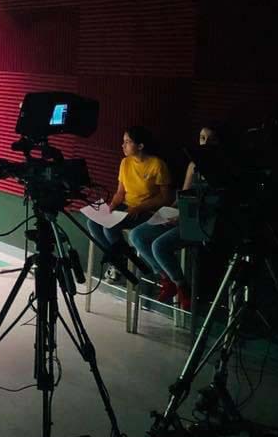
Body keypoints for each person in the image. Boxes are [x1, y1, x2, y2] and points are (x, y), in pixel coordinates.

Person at [128, 125, 220, 310]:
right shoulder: (193, 164)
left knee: (158, 245)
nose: (205, 143)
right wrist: (170, 211)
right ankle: (165, 278)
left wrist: (183, 217)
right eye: (202, 138)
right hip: (183, 212)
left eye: (211, 139)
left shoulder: (222, 167)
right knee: (137, 235)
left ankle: (181, 285)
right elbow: (184, 194)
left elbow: (216, 204)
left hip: (202, 220)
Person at [87, 126, 174, 283]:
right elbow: (120, 192)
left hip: (147, 211)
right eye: (123, 141)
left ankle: (123, 258)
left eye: (127, 142)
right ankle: (118, 260)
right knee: (92, 222)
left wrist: (139, 208)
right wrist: (111, 206)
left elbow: (165, 198)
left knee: (109, 227)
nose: (123, 145)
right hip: (126, 206)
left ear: (140, 146)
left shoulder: (157, 165)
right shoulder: (125, 162)